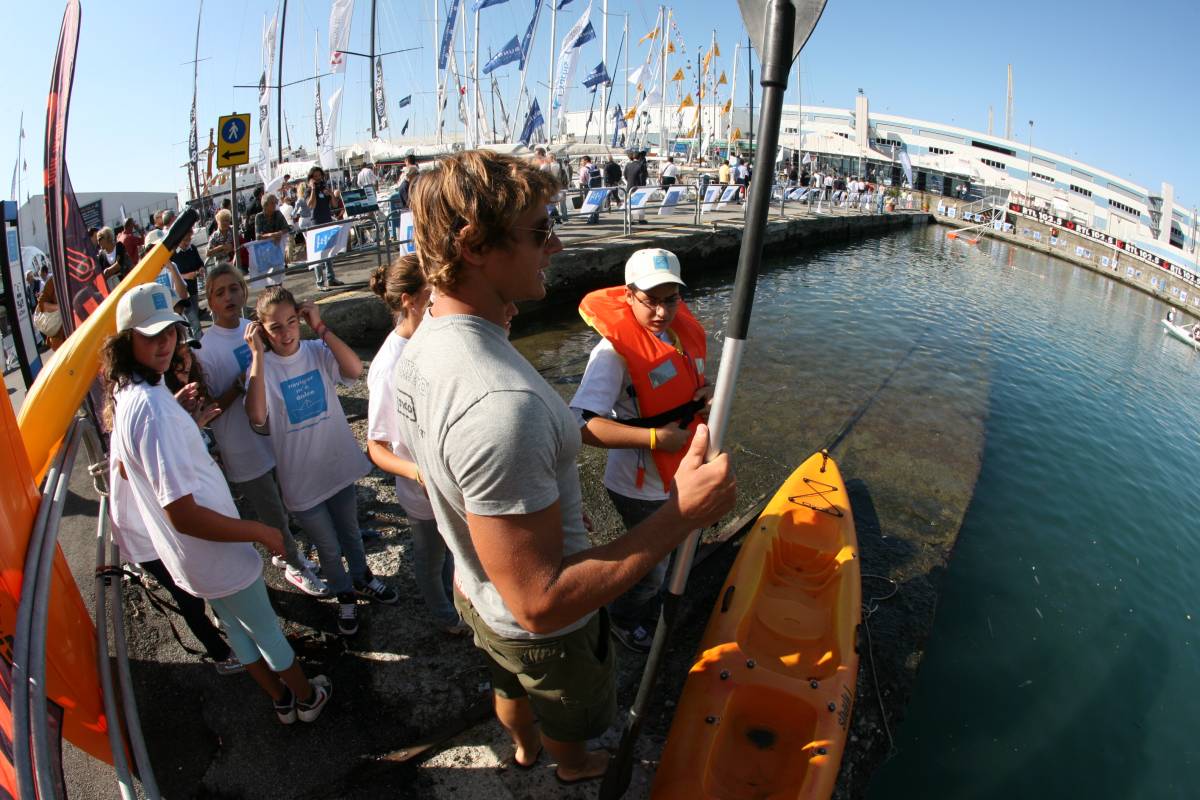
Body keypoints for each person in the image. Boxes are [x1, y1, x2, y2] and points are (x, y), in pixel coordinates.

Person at [393, 150, 735, 783]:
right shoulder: (502, 405)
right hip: (541, 630)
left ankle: (522, 751)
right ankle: (571, 767)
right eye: (539, 231)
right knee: (567, 706)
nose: (555, 245)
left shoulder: (417, 350)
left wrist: (474, 565)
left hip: (476, 592)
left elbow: (452, 479)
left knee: (511, 685)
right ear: (473, 245)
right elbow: (540, 604)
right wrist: (683, 513)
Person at [103, 283, 331, 724]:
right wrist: (261, 531)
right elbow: (183, 513)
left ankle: (280, 702)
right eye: (151, 335)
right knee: (265, 629)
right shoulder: (152, 408)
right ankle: (306, 698)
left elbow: (135, 473)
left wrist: (182, 421)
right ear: (125, 341)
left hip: (186, 559)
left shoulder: (129, 397)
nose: (165, 342)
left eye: (168, 330)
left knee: (236, 632)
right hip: (214, 550)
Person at [570, 249, 710, 652]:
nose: (662, 311)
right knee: (649, 567)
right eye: (651, 300)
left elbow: (676, 387)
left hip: (678, 472)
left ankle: (653, 596)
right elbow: (579, 424)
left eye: (671, 299)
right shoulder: (611, 353)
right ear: (629, 295)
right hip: (637, 485)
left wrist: (702, 395)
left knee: (673, 549)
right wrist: (654, 439)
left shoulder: (677, 335)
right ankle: (624, 619)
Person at [244, 286, 400, 636]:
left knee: (350, 534)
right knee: (327, 547)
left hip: (336, 466)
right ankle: (344, 593)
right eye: (275, 328)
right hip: (301, 480)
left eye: (290, 323)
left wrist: (321, 328)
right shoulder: (262, 370)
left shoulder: (316, 351)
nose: (285, 334)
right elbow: (256, 416)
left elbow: (354, 369)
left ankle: (362, 578)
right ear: (261, 329)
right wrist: (256, 355)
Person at [195, 263, 328, 598]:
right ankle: (295, 565)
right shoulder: (204, 348)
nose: (229, 296)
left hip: (277, 437)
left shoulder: (257, 329)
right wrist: (240, 384)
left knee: (290, 501)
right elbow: (208, 410)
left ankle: (289, 553)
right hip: (242, 448)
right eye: (219, 292)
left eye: (234, 288)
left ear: (244, 290)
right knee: (272, 512)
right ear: (209, 301)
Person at [365, 255, 465, 635]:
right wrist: (417, 472)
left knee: (454, 549)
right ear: (409, 300)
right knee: (429, 554)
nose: (440, 300)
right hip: (422, 489)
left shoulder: (434, 336)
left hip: (449, 480)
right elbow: (376, 446)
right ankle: (443, 615)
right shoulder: (389, 366)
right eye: (432, 294)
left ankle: (459, 603)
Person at [305, 167, 343, 289]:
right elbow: (311, 205)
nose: (317, 178)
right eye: (315, 176)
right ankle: (320, 282)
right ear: (311, 178)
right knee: (318, 254)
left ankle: (331, 278)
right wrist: (313, 189)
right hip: (316, 223)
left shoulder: (324, 188)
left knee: (329, 251)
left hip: (327, 221)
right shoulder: (309, 190)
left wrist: (331, 193)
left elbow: (334, 204)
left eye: (319, 176)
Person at [170, 229, 206, 339]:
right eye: (184, 240)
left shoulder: (192, 249)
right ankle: (198, 344)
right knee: (193, 323)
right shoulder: (173, 255)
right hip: (180, 295)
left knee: (194, 320)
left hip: (193, 289)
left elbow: (200, 263)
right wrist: (186, 276)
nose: (187, 242)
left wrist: (200, 269)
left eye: (189, 239)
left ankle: (194, 342)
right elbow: (172, 274)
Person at [254, 193, 291, 286]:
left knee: (278, 277)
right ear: (265, 205)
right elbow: (258, 236)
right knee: (268, 279)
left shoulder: (278, 214)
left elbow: (286, 228)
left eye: (276, 202)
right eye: (273, 203)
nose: (275, 204)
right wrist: (272, 235)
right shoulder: (259, 217)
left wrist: (279, 233)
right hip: (265, 252)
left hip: (277, 249)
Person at [624, 151, 649, 224]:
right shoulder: (641, 166)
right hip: (639, 188)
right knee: (641, 204)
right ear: (639, 157)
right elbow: (642, 178)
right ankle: (641, 219)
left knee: (630, 204)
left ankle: (630, 220)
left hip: (630, 187)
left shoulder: (628, 165)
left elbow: (625, 176)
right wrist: (643, 186)